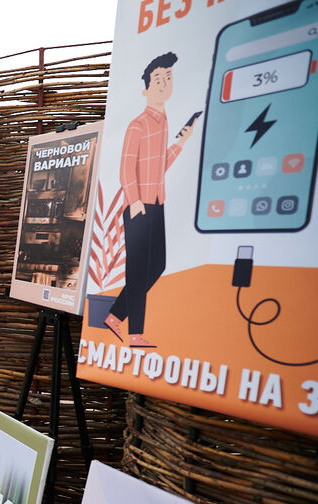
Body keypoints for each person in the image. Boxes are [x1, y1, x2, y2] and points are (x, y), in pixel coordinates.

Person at [104, 52, 195, 349]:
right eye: (158, 79)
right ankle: (135, 334)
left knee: (157, 265)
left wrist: (180, 143)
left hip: (157, 202)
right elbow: (126, 168)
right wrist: (135, 201)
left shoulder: (164, 122)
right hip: (140, 206)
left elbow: (158, 167)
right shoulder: (138, 125)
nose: (164, 83)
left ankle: (114, 316)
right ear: (146, 88)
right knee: (138, 270)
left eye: (168, 77)